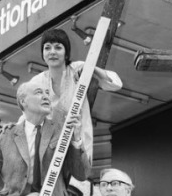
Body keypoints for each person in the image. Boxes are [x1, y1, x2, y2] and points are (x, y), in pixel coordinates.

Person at [32, 28, 122, 162]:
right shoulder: (37, 81)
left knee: (77, 178)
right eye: (47, 48)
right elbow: (28, 114)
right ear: (42, 53)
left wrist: (91, 69)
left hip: (78, 142)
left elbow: (115, 83)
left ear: (66, 53)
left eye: (58, 47)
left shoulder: (76, 68)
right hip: (52, 149)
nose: (52, 52)